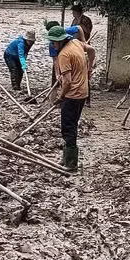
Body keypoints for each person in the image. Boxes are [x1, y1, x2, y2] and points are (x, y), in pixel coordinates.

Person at [48, 26, 90, 171]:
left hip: (72, 95)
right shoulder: (76, 43)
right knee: (72, 125)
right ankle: (66, 158)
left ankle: (71, 163)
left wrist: (60, 97)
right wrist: (89, 66)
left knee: (68, 128)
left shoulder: (64, 55)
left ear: (60, 41)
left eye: (54, 42)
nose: (53, 45)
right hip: (83, 92)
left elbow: (67, 81)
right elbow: (91, 50)